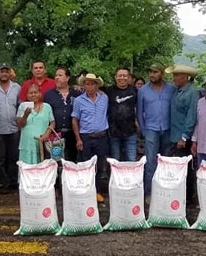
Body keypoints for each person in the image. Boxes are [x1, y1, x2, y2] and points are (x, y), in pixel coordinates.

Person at [137, 62, 175, 195]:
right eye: (150, 72)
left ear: (162, 73)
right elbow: (140, 112)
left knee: (166, 161)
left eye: (155, 72)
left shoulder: (171, 89)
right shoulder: (143, 91)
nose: (152, 75)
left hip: (167, 129)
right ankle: (149, 193)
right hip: (151, 129)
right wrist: (143, 129)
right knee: (151, 162)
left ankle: (165, 192)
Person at [72, 73, 109, 202]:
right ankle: (86, 191)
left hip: (101, 137)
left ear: (97, 85)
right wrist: (78, 139)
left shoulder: (104, 98)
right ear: (84, 86)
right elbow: (75, 120)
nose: (90, 86)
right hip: (86, 137)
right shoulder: (78, 101)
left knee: (100, 165)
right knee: (86, 165)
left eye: (92, 83)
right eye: (87, 83)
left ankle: (97, 192)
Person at [0, 63, 21, 192]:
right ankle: (2, 182)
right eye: (2, 71)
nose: (4, 73)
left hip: (14, 127)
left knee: (14, 156)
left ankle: (13, 182)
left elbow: (20, 105)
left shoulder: (17, 87)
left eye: (6, 71)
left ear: (10, 73)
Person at [169, 65, 199, 198]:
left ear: (185, 77)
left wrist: (184, 136)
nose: (174, 78)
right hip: (174, 134)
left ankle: (187, 196)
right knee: (178, 166)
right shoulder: (178, 91)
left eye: (177, 76)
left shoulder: (192, 92)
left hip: (182, 136)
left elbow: (191, 116)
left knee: (185, 167)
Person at [44, 66, 77, 162]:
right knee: (56, 160)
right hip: (56, 133)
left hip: (72, 133)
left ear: (67, 78)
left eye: (60, 75)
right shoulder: (49, 95)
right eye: (56, 75)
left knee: (72, 160)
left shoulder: (76, 93)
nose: (57, 77)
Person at [18, 84, 56, 164]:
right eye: (30, 93)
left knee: (43, 167)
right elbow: (20, 125)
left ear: (40, 94)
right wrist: (25, 115)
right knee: (28, 169)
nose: (33, 95)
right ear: (27, 95)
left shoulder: (47, 106)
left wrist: (46, 134)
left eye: (35, 92)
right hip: (28, 144)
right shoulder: (23, 106)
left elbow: (52, 122)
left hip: (43, 143)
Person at [107, 67, 138, 162]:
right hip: (113, 132)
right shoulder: (108, 91)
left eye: (125, 76)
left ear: (129, 78)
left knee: (132, 160)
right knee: (115, 161)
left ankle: (131, 177)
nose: (122, 78)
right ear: (115, 77)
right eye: (119, 75)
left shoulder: (135, 91)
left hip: (130, 131)